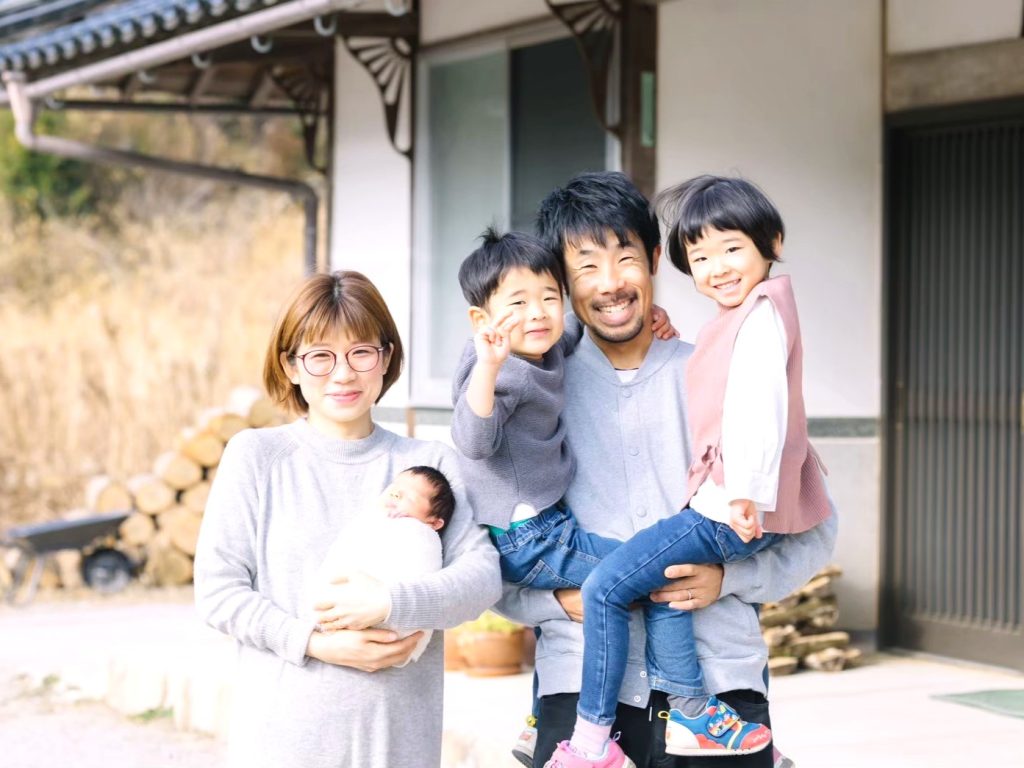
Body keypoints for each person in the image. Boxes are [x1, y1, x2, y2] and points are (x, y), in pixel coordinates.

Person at [496, 171, 838, 768]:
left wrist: (728, 580)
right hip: (578, 685)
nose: (611, 283)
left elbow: (815, 528)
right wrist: (556, 603)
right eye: (586, 267)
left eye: (626, 258)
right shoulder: (533, 393)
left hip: (719, 682)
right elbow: (489, 542)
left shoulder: (723, 368)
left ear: (655, 259)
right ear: (561, 280)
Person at [193, 270, 501, 768]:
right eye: (320, 356)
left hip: (398, 747)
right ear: (290, 366)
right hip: (281, 745)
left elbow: (483, 579)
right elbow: (218, 592)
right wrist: (317, 644)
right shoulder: (257, 456)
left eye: (361, 353)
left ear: (387, 358)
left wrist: (390, 603)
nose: (342, 374)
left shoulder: (429, 465)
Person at [450, 228, 673, 765]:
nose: (538, 313)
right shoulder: (499, 370)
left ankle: (536, 725)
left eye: (549, 297)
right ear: (482, 320)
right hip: (530, 535)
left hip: (546, 525)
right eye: (518, 303)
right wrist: (488, 367)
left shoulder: (548, 339)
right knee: (650, 574)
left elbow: (578, 327)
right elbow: (473, 440)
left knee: (614, 590)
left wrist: (654, 317)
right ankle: (629, 727)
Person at [316, 465, 456, 666]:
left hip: (392, 634)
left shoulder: (422, 537)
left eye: (409, 496)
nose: (396, 495)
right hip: (331, 630)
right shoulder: (372, 518)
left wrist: (389, 602)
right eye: (394, 490)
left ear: (434, 523)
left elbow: (418, 574)